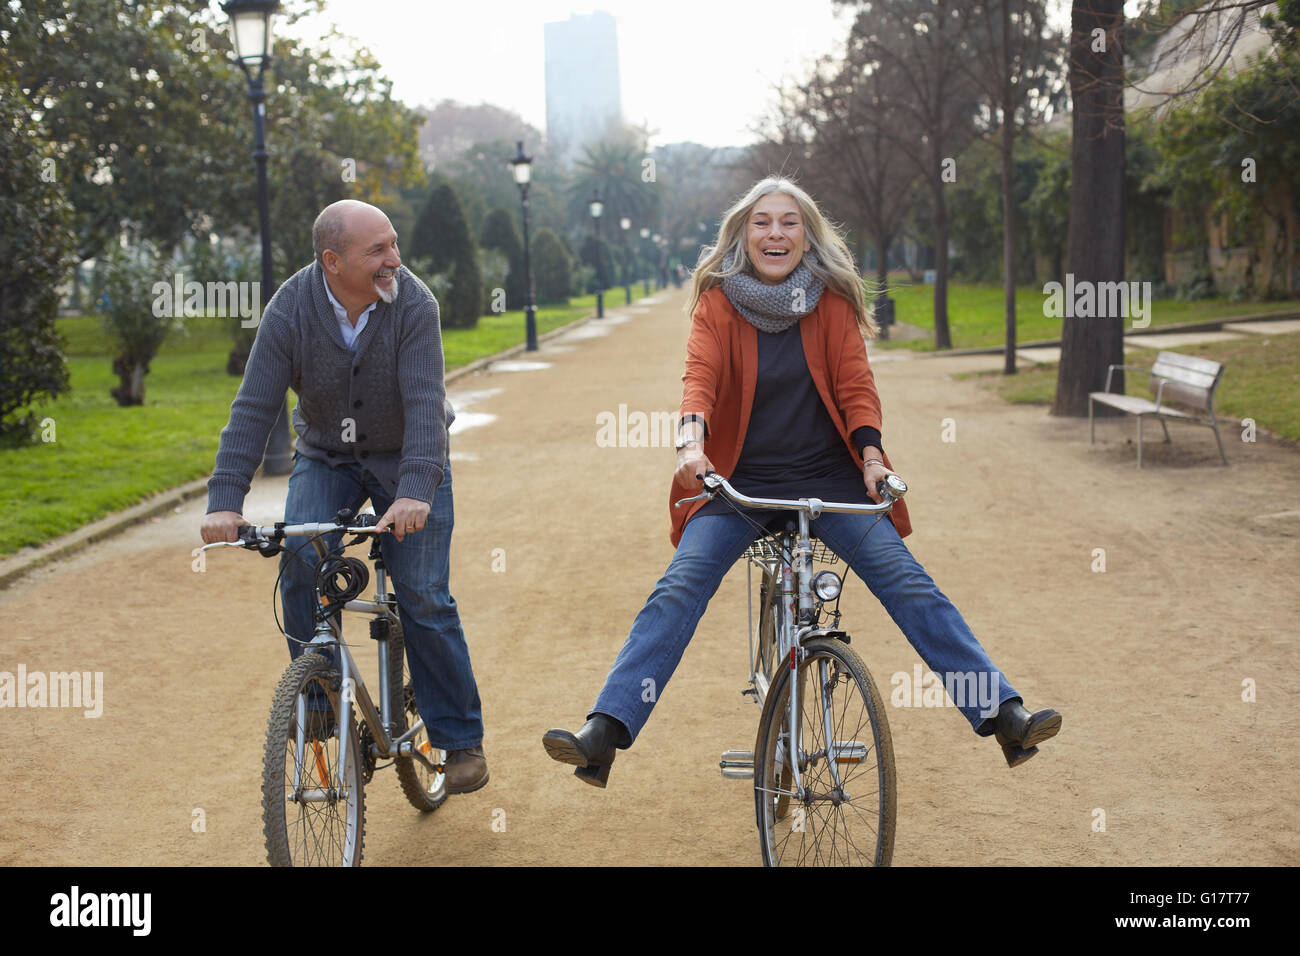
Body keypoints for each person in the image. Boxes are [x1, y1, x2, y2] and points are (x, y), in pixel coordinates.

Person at [543, 177, 1061, 787]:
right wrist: (691, 445)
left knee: (909, 583)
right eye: (762, 222)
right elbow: (698, 379)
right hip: (738, 482)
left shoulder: (831, 302)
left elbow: (855, 386)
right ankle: (604, 731)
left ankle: (1003, 715)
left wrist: (871, 458)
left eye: (789, 222)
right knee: (678, 588)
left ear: (807, 235)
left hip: (831, 480)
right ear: (743, 233)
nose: (775, 233)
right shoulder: (718, 301)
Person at [200, 199, 488, 794]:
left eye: (393, 244)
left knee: (424, 595)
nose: (394, 261)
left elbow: (424, 408)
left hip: (409, 454)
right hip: (328, 455)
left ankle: (460, 739)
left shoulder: (413, 302)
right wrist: (225, 500)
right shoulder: (291, 307)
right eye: (377, 251)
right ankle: (320, 700)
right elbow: (255, 406)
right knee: (300, 562)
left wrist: (413, 494)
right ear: (332, 261)